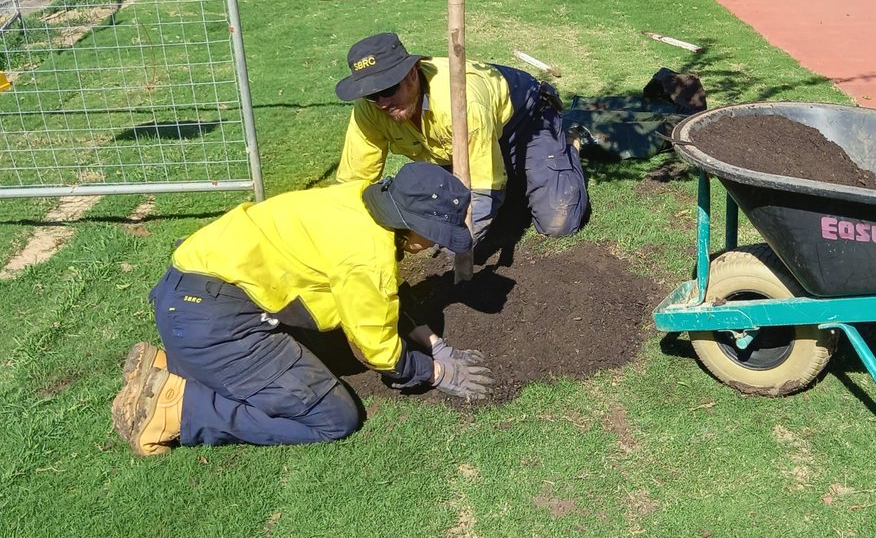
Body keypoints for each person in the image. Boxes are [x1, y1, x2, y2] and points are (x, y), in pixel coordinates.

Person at [110, 162, 492, 456]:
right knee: (334, 418)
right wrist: (433, 371)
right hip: (212, 319)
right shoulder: (365, 257)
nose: (435, 244)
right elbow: (378, 348)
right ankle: (180, 409)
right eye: (436, 235)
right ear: (411, 227)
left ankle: (176, 366)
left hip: (190, 292)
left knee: (316, 352)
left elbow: (384, 293)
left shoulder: (361, 199)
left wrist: (433, 341)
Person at [335, 32, 589, 243]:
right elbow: (353, 182)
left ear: (412, 73)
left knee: (558, 221)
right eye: (372, 94)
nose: (382, 103)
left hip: (525, 120)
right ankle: (512, 170)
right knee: (440, 210)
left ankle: (569, 143)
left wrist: (452, 245)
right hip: (463, 144)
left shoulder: (460, 102)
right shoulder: (369, 109)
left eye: (389, 89)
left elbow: (484, 188)